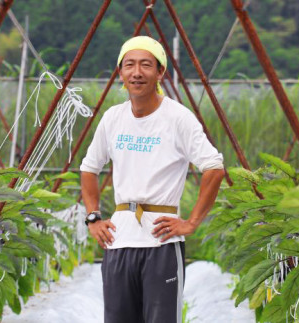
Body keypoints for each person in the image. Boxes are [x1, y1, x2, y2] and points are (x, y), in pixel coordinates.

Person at [80, 36, 224, 323]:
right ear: (120, 73)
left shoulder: (178, 118)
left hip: (161, 243)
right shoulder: (113, 118)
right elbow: (88, 168)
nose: (137, 72)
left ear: (160, 73)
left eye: (146, 65)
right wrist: (93, 217)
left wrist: (192, 222)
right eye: (129, 65)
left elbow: (214, 167)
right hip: (119, 241)